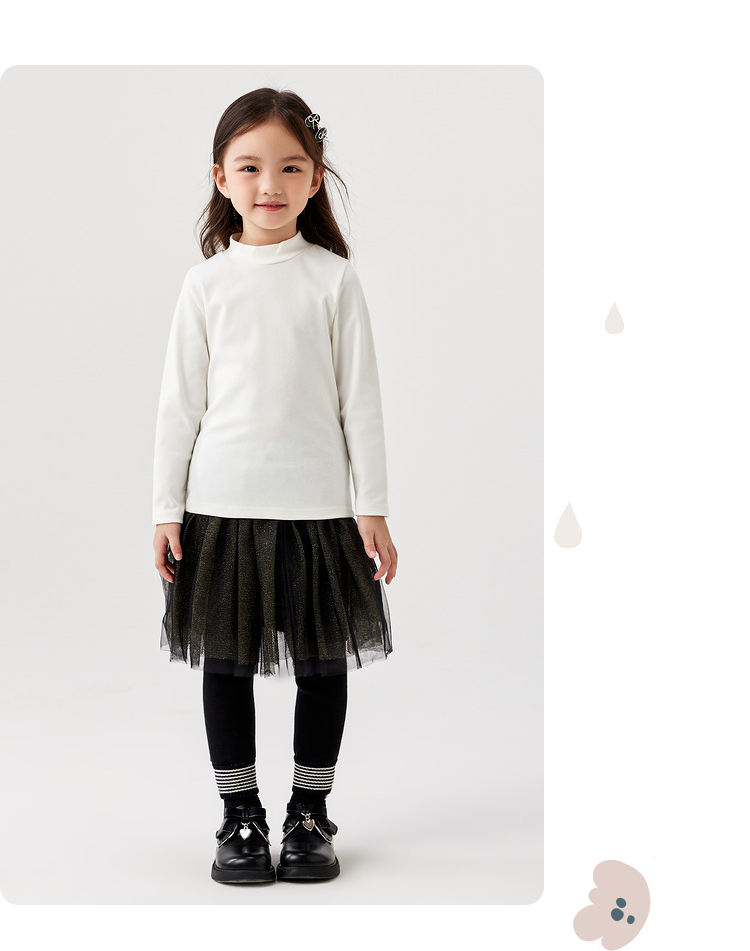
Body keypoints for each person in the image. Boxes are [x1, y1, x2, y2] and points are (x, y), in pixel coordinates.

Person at [151, 88, 397, 886]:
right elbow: (179, 405)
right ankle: (240, 817)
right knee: (225, 666)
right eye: (251, 166)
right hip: (221, 508)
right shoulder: (205, 285)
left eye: (291, 167)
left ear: (315, 178)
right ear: (221, 177)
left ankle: (309, 815)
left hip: (318, 510)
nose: (270, 184)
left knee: (322, 666)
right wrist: (165, 509)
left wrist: (372, 505)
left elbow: (360, 400)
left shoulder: (333, 280)